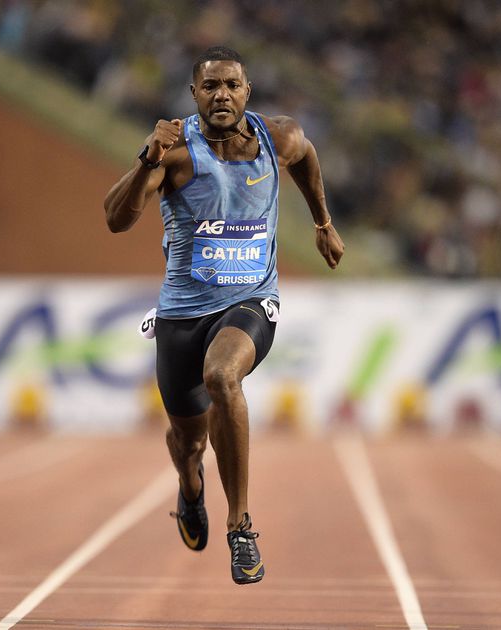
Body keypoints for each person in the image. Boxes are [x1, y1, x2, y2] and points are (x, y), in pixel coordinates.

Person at [103, 46, 344, 585]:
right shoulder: (175, 152)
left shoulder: (277, 137)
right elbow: (116, 220)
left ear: (247, 91)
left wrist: (322, 221)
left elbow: (305, 157)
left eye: (231, 85)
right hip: (182, 316)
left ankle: (241, 526)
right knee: (187, 442)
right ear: (194, 95)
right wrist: (146, 157)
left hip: (252, 301)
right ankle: (191, 489)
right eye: (210, 86)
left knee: (222, 375)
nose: (222, 95)